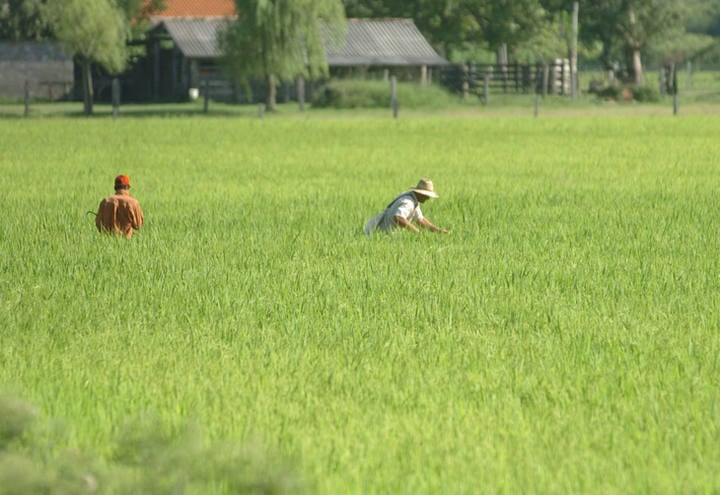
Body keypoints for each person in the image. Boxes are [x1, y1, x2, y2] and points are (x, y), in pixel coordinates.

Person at [364, 178, 450, 235]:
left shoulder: (413, 199)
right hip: (385, 235)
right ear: (420, 193)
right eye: (426, 195)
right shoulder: (408, 202)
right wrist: (417, 233)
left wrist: (439, 231)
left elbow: (420, 220)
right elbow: (398, 217)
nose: (428, 198)